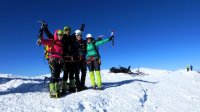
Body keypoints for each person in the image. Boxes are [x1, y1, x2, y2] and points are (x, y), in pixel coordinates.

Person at [39, 29, 64, 98]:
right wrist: (41, 33)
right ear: (56, 34)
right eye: (59, 35)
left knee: (57, 75)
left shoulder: (61, 43)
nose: (61, 36)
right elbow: (43, 41)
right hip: (52, 59)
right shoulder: (52, 41)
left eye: (62, 35)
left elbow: (61, 53)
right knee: (54, 73)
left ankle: (56, 89)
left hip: (59, 60)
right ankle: (52, 90)